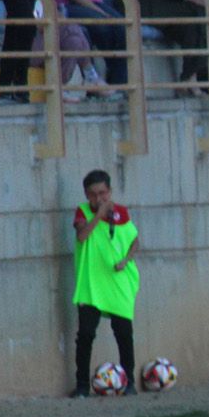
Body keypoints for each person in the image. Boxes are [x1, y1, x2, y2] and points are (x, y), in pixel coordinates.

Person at [71, 168, 140, 397]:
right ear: (86, 195)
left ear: (109, 191)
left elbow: (135, 241)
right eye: (92, 194)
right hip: (91, 284)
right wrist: (99, 215)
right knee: (86, 334)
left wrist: (126, 260)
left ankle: (129, 382)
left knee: (123, 332)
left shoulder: (122, 213)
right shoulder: (82, 213)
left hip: (117, 282)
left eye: (102, 193)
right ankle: (82, 386)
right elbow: (82, 236)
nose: (98, 198)